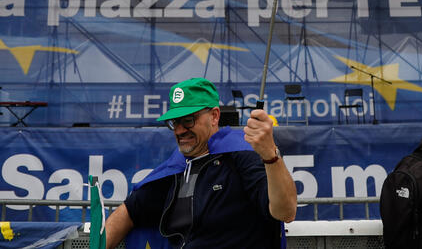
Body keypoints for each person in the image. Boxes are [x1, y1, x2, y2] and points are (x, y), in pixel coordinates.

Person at [104, 77, 297, 248]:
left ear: (214, 116)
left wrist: (271, 156)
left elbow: (285, 212)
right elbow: (128, 212)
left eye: (188, 120)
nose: (179, 130)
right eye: (174, 123)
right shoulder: (175, 169)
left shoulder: (244, 154)